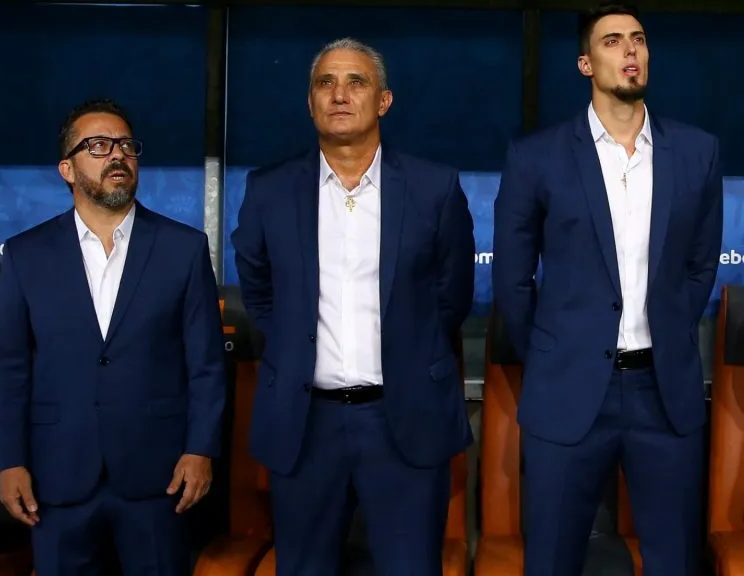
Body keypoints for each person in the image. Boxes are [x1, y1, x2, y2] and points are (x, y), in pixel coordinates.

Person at [492, 4, 723, 574]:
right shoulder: (536, 157)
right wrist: (551, 356)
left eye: (638, 39)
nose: (630, 51)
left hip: (663, 393)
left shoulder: (697, 152)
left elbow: (699, 268)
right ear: (585, 63)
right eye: (613, 41)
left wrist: (669, 333)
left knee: (674, 560)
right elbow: (513, 280)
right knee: (552, 559)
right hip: (566, 391)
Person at [231, 38, 475, 575]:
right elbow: (259, 290)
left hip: (404, 419)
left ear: (384, 101)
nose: (339, 94)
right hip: (305, 424)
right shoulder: (269, 190)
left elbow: (451, 296)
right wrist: (295, 347)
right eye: (326, 83)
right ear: (310, 103)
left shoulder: (434, 188)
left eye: (356, 82)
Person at [0, 98, 227, 576]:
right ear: (67, 169)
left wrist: (200, 449)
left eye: (126, 145)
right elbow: (10, 368)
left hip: (159, 476)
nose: (117, 155)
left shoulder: (183, 249)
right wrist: (9, 461)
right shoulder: (25, 254)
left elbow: (205, 364)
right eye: (97, 146)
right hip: (57, 475)